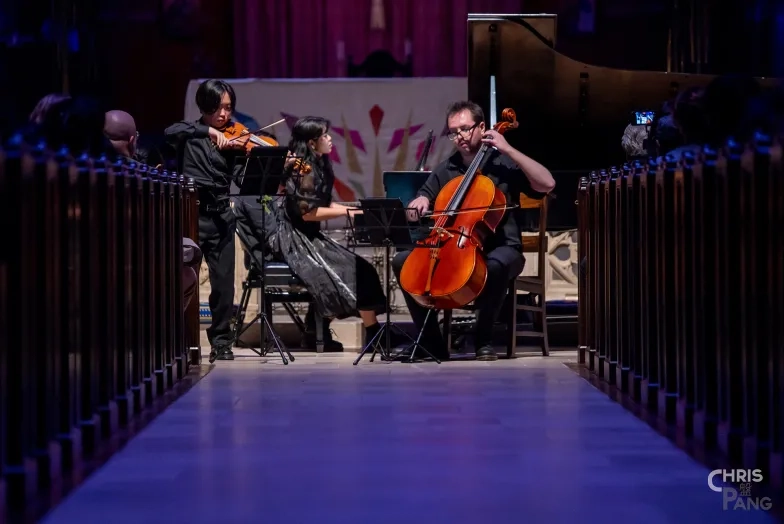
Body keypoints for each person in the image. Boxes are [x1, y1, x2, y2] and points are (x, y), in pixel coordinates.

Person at [391, 100, 556, 361]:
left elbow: (547, 183)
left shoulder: (503, 163)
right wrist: (417, 204)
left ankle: (484, 340)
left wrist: (509, 148)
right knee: (402, 262)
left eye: (465, 129)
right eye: (453, 132)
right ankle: (432, 343)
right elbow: (418, 207)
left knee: (496, 265)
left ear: (481, 127)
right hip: (453, 250)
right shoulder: (447, 169)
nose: (459, 137)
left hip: (502, 249)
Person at [266, 116, 397, 345]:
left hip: (307, 234)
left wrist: (354, 210)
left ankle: (332, 330)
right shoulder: (303, 171)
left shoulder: (318, 165)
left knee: (361, 268)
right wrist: (346, 213)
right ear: (311, 143)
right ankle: (370, 333)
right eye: (324, 135)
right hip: (294, 239)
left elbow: (322, 205)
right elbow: (308, 213)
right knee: (356, 270)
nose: (329, 139)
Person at [164, 79, 246, 361]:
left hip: (223, 216)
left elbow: (240, 180)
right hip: (192, 216)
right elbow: (170, 131)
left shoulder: (234, 140)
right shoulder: (189, 134)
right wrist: (209, 131)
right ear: (205, 107)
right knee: (184, 280)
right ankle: (182, 339)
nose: (224, 115)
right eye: (219, 108)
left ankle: (221, 341)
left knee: (224, 286)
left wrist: (266, 168)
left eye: (228, 108)